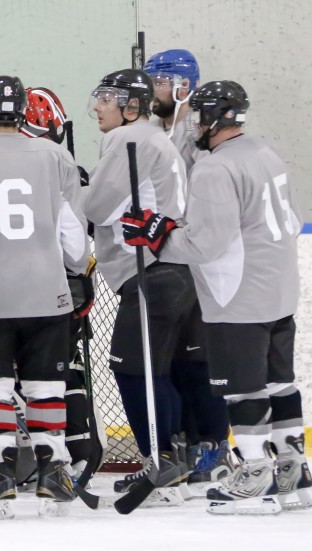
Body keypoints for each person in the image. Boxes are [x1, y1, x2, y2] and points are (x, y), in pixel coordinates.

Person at [121, 80, 311, 515]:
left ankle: (255, 478)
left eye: (198, 119)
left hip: (237, 294)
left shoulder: (214, 168)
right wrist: (164, 229)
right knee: (279, 381)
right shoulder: (265, 152)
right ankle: (293, 471)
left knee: (242, 390)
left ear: (210, 119)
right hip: (279, 288)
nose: (194, 128)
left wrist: (157, 237)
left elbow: (206, 245)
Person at [0, 76, 88, 519]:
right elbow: (76, 243)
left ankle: (0, 473)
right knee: (47, 388)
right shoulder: (55, 155)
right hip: (46, 295)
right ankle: (55, 472)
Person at [83, 69, 192, 503]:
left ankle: (159, 459)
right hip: (174, 272)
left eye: (108, 98)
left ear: (132, 105)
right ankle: (172, 458)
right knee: (156, 371)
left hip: (151, 270)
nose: (97, 106)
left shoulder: (131, 140)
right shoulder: (152, 139)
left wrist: (71, 188)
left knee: (131, 369)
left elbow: (97, 207)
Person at [143, 49, 234, 489]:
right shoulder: (154, 131)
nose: (149, 89)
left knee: (201, 361)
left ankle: (215, 443)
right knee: (174, 361)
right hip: (170, 258)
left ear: (182, 85)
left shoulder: (198, 134)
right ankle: (187, 442)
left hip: (201, 262)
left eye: (157, 81)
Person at [20, 86, 97, 481]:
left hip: (22, 287)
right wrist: (83, 275)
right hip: (59, 285)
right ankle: (74, 451)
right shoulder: (63, 161)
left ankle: (42, 455)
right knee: (63, 369)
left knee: (31, 373)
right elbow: (78, 239)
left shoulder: (13, 159)